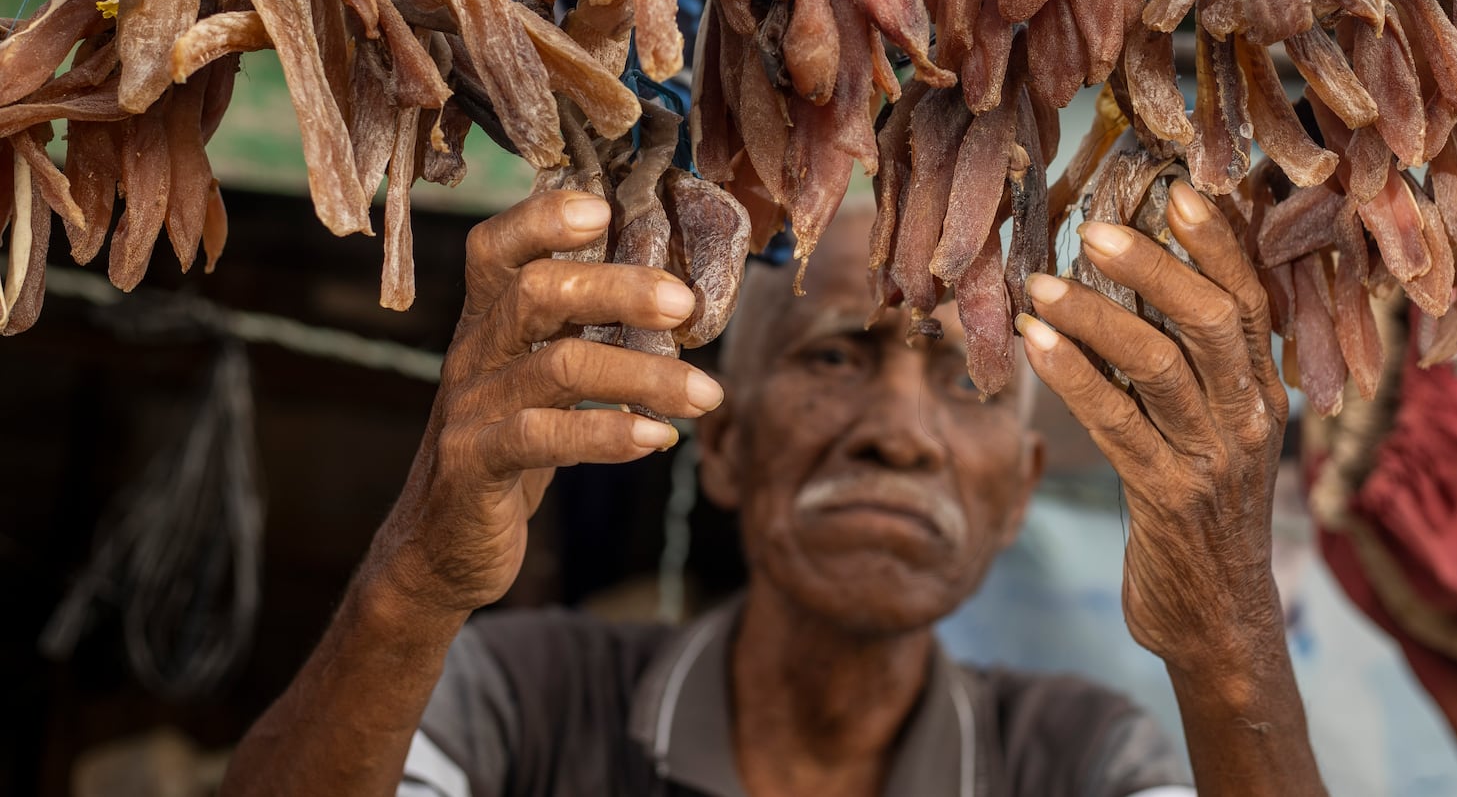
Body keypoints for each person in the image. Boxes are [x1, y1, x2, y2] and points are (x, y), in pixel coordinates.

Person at [220, 182, 1327, 796]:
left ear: (1017, 490)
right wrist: (413, 583)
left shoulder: (1074, 760)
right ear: (726, 447)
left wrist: (1227, 632)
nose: (897, 433)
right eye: (832, 357)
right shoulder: (523, 704)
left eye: (968, 381)